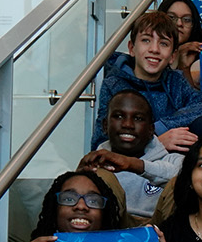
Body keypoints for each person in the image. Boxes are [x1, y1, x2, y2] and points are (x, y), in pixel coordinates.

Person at [91, 10, 202, 152]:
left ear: (172, 55)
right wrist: (155, 141)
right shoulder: (114, 84)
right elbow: (101, 141)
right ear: (132, 48)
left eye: (164, 44)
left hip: (171, 162)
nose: (154, 49)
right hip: (130, 162)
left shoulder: (175, 80)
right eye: (146, 40)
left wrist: (161, 127)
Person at [66, 89, 180, 228]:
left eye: (138, 118)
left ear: (151, 130)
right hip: (113, 231)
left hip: (162, 231)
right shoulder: (94, 164)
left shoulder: (173, 160)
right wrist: (80, 177)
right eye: (119, 116)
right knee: (100, 176)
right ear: (105, 126)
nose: (128, 125)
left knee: (181, 181)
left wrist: (132, 164)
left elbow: (188, 181)